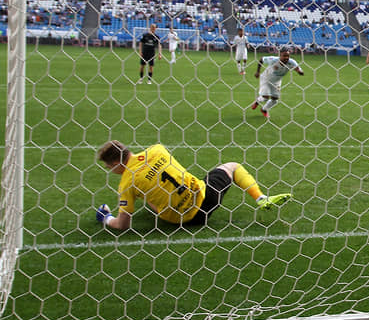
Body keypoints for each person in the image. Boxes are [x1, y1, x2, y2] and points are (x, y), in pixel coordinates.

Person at [95, 140, 291, 230]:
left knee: (146, 198)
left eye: (108, 166)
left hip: (184, 220)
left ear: (116, 164)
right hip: (207, 198)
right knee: (232, 166)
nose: (109, 169)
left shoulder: (126, 182)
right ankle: (261, 198)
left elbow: (123, 225)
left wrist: (106, 218)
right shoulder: (157, 149)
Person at [251, 47, 304, 119]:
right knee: (265, 97)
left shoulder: (292, 62)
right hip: (266, 78)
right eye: (284, 55)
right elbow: (261, 59)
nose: (286, 57)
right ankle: (257, 102)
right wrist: (258, 71)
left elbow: (299, 70)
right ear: (280, 55)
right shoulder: (273, 60)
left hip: (277, 81)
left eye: (288, 56)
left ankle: (264, 109)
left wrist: (299, 72)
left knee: (275, 99)